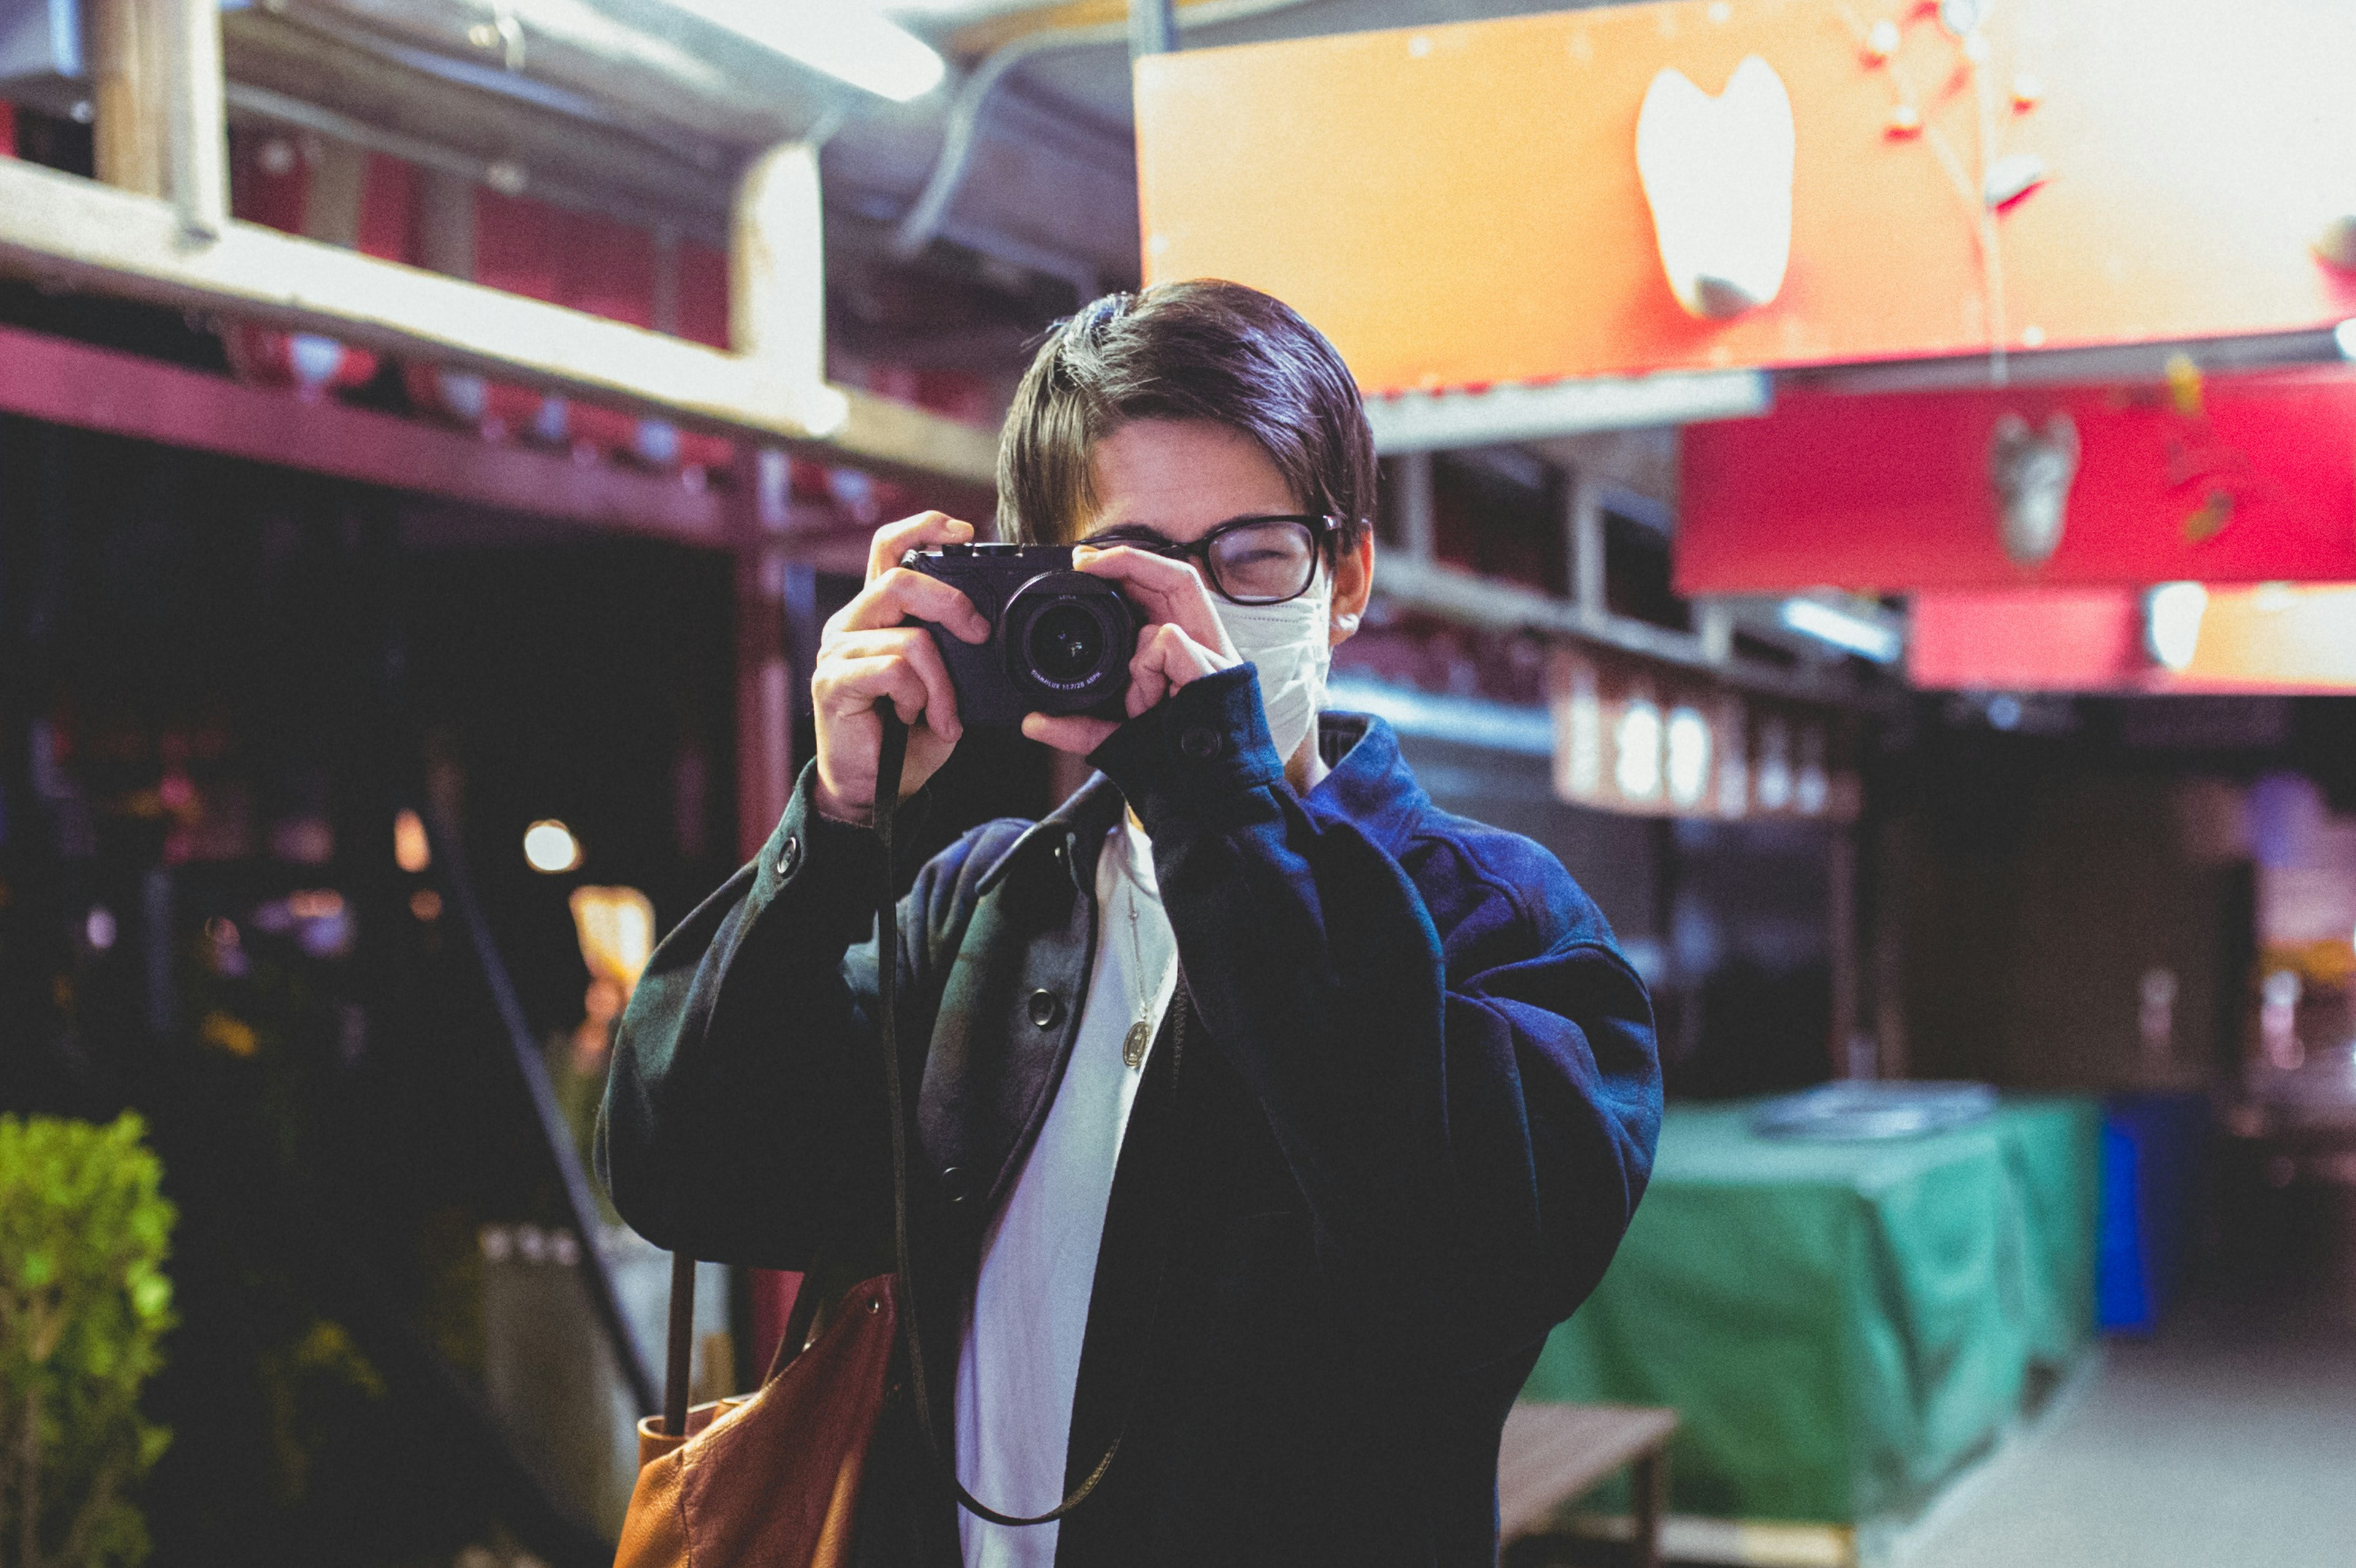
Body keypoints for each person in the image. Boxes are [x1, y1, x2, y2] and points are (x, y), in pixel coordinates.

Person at [598, 280, 1661, 1567]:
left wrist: (1224, 813)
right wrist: (836, 828)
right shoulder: (976, 905)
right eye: (1142, 572)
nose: (1202, 622)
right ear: (1047, 585)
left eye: (1254, 560)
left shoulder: (1501, 920)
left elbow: (1479, 1262)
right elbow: (691, 1170)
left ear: (1348, 580)